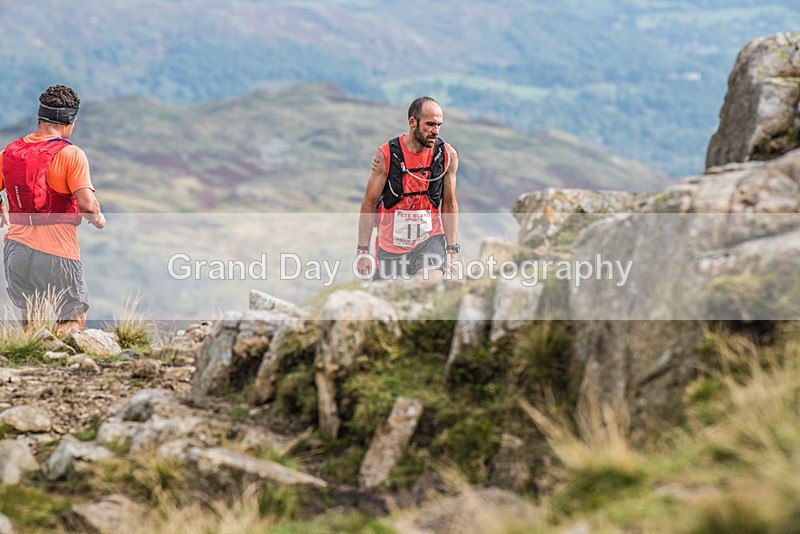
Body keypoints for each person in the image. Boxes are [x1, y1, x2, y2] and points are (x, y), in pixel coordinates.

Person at [0, 84, 105, 333]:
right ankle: (62, 361)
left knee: (31, 323)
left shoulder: (9, 153)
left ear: (40, 116)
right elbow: (87, 205)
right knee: (72, 318)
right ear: (71, 121)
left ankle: (29, 367)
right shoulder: (71, 154)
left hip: (16, 251)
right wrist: (98, 219)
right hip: (57, 251)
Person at [356, 96, 459, 279]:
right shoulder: (385, 155)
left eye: (439, 125)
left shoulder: (447, 155)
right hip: (391, 245)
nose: (436, 131)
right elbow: (369, 203)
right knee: (391, 299)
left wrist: (452, 250)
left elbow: (449, 204)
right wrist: (363, 250)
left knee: (430, 282)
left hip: (430, 240)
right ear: (413, 122)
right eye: (430, 124)